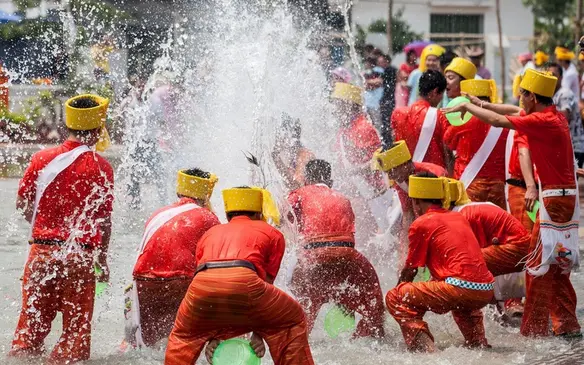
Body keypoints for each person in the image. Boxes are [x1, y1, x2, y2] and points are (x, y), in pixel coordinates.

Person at [442, 68, 582, 339]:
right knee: (556, 263)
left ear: (532, 96)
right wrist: (481, 103)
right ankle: (567, 323)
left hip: (553, 201)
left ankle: (534, 331)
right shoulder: (553, 116)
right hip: (562, 198)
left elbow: (497, 120)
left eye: (522, 95)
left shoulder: (543, 121)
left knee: (537, 265)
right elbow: (509, 111)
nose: (519, 99)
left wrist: (466, 105)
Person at [9, 94, 114, 363]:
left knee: (29, 333)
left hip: (41, 255)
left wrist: (43, 227)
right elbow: (103, 221)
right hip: (80, 257)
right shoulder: (102, 167)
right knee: (75, 338)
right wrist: (102, 260)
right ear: (97, 129)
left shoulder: (42, 159)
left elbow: (22, 204)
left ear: (68, 125)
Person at [165, 187, 314, 364]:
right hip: (246, 282)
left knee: (183, 336)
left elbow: (212, 281)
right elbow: (265, 287)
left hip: (200, 290)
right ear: (259, 212)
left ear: (228, 215)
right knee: (292, 320)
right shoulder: (273, 233)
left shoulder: (209, 233)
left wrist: (211, 333)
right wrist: (259, 333)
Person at [385, 172, 494, 352]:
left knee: (396, 297)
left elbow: (410, 270)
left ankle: (429, 355)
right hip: (485, 290)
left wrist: (398, 291)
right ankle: (478, 344)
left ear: (417, 202)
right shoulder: (458, 216)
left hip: (459, 288)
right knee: (463, 307)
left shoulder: (422, 223)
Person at [288, 159, 385, 338]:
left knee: (296, 294)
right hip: (347, 254)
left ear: (306, 180)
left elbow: (287, 219)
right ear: (330, 182)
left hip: (314, 255)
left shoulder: (299, 193)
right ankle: (374, 335)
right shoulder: (343, 198)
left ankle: (298, 336)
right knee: (374, 302)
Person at [127, 169, 220, 348]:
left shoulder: (159, 213)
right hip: (180, 281)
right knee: (181, 341)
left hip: (143, 280)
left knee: (146, 343)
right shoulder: (208, 217)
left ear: (179, 191)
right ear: (208, 193)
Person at [373, 141, 446, 266]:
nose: (390, 176)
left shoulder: (435, 174)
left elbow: (444, 211)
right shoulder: (401, 180)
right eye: (387, 172)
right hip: (425, 223)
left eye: (392, 170)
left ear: (404, 164)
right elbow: (407, 213)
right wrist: (405, 251)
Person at [330, 82, 389, 236]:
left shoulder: (363, 128)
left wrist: (352, 173)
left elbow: (376, 162)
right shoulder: (344, 130)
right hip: (356, 193)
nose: (334, 110)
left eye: (337, 105)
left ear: (349, 105)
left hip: (371, 194)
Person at [443, 78, 508, 209]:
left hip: (469, 185)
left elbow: (447, 142)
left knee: (470, 226)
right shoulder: (504, 121)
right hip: (499, 188)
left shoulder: (462, 121)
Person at [391, 69, 448, 168]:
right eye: (441, 94)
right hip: (433, 177)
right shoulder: (440, 116)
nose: (441, 99)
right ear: (435, 92)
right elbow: (447, 153)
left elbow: (395, 147)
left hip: (406, 179)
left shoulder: (398, 114)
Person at [548, 62, 584, 168]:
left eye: (553, 75)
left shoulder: (565, 94)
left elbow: (562, 120)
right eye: (547, 75)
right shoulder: (551, 95)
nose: (550, 78)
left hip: (574, 147)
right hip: (563, 146)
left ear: (561, 77)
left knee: (570, 183)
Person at [272, 114, 315, 191]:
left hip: (306, 198)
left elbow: (296, 185)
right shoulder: (289, 154)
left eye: (280, 135)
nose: (277, 138)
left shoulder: (304, 155)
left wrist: (276, 159)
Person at [377, 53, 397, 134]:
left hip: (388, 100)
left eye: (381, 62)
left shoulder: (389, 70)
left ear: (386, 61)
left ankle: (387, 141)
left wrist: (368, 81)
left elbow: (379, 81)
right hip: (390, 99)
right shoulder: (392, 69)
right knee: (387, 122)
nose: (379, 64)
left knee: (386, 122)